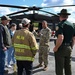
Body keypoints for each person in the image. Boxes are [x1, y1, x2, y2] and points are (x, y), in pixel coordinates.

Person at [53, 9, 75, 75]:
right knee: (68, 67)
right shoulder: (72, 25)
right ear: (67, 16)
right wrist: (71, 47)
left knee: (59, 68)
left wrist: (56, 47)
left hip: (61, 48)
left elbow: (61, 37)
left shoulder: (60, 25)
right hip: (69, 47)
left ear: (60, 16)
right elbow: (74, 38)